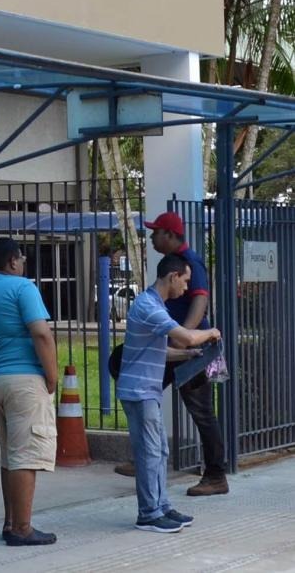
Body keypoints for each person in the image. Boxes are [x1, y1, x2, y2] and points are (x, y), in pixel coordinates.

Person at [115, 211, 227, 496]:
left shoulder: (190, 262)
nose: (152, 237)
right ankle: (145, 456)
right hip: (175, 344)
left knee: (201, 411)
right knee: (131, 377)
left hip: (192, 348)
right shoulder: (172, 265)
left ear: (170, 234)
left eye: (156, 233)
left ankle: (216, 476)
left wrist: (184, 341)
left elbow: (200, 301)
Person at [0, 237, 59, 547]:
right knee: (25, 456)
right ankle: (22, 528)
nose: (23, 264)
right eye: (22, 259)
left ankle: (10, 522)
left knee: (10, 455)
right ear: (13, 261)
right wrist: (52, 376)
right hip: (23, 381)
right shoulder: (22, 288)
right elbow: (41, 333)